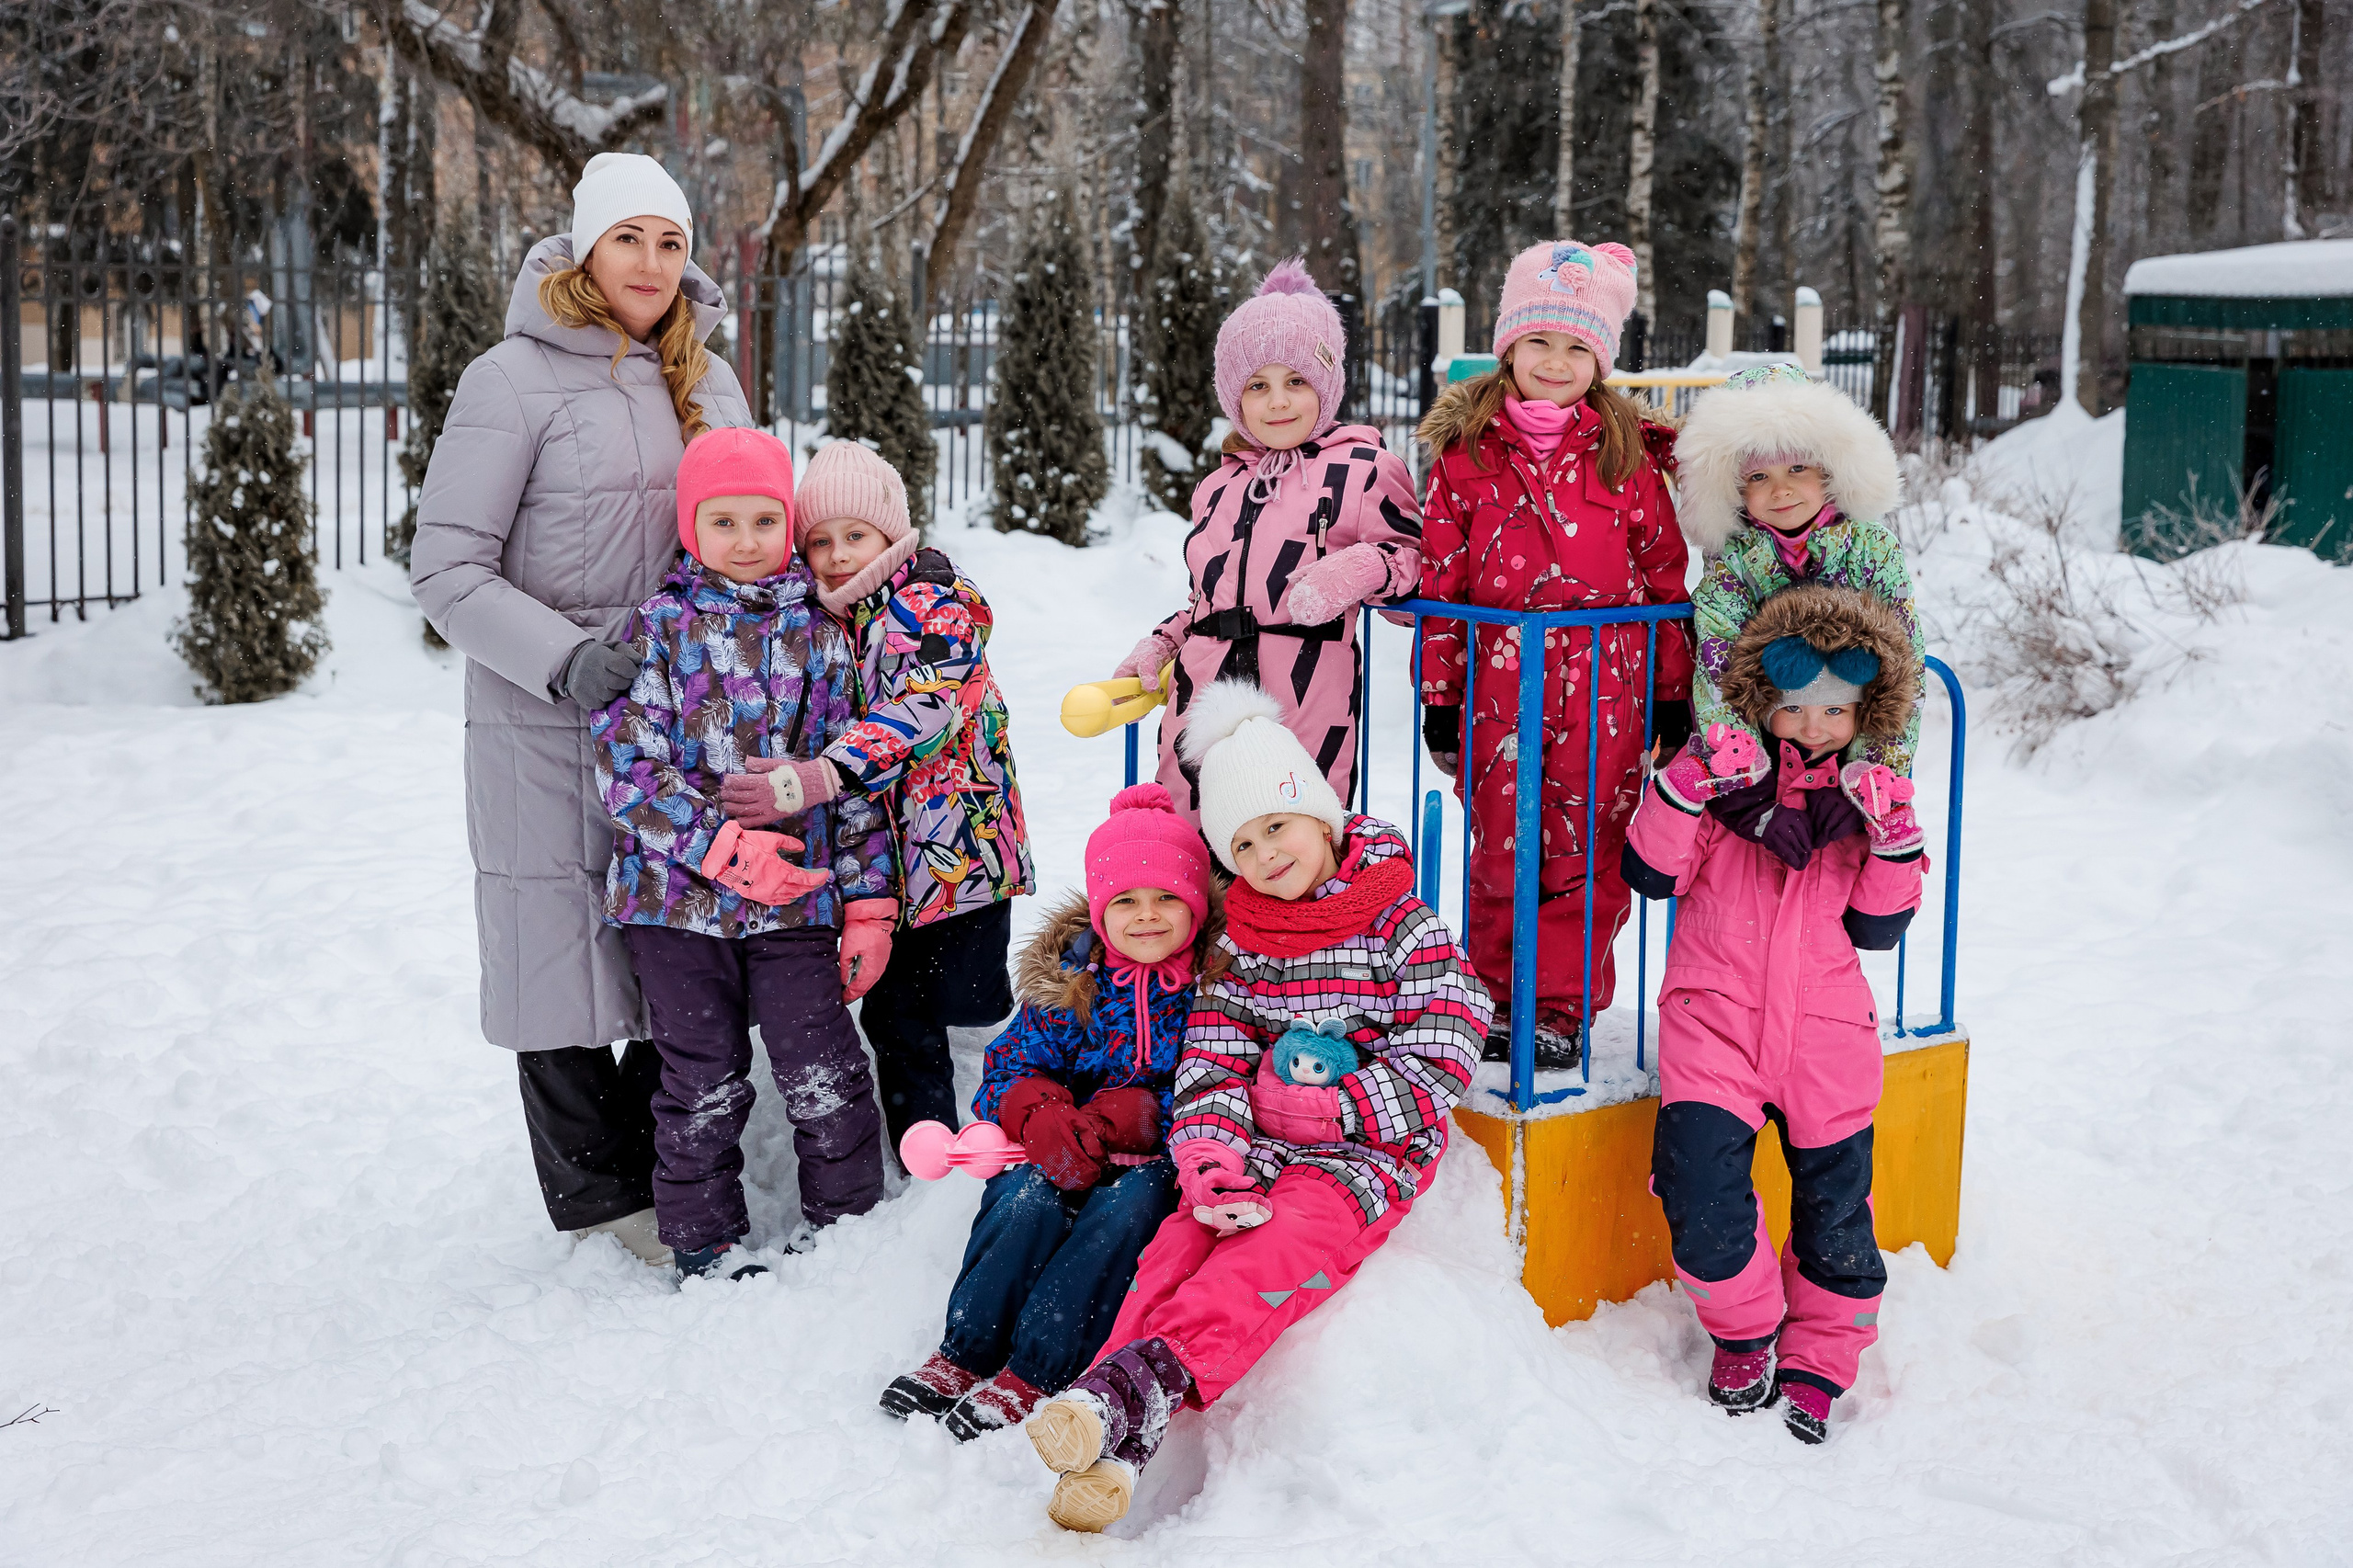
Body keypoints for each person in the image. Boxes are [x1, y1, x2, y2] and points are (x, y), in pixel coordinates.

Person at [1023, 682, 1491, 1532]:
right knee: (1177, 1243)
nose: (1267, 854)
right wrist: (1207, 1154)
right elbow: (1212, 1055)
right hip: (1257, 1146)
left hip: (1365, 1154)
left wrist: (1332, 1111)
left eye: (1277, 825)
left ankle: (1141, 1384)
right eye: (1241, 842)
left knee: (1269, 1252)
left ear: (1321, 815)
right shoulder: (1241, 942)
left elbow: (1447, 1042)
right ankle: (1114, 1433)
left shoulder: (1399, 920)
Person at [410, 153, 750, 1267]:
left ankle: (672, 1165)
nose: (651, 263)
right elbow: (447, 568)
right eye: (627, 239)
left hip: (689, 718)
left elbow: (754, 529)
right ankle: (599, 1200)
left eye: (669, 241)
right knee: (551, 954)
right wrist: (566, 659)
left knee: (682, 945)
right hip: (543, 716)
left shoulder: (712, 379)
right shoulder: (506, 381)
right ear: (584, 251)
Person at [1620, 581, 1926, 1444]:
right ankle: (1745, 1331)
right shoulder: (1729, 785)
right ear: (1763, 702)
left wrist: (1896, 842)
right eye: (1795, 707)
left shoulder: (1869, 803)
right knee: (1699, 1190)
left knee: (1836, 1215)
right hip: (1714, 1025)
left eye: (1837, 708)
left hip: (1826, 1040)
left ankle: (1822, 1357)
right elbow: (1654, 873)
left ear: (1867, 710)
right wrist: (1687, 788)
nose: (1816, 725)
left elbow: (1878, 927)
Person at [590, 426, 896, 1280]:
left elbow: (853, 775)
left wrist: (868, 903)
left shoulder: (821, 635)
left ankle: (846, 1232)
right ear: (692, 528)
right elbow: (626, 769)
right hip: (677, 904)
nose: (747, 540)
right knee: (700, 1075)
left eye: (765, 519)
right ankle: (704, 1240)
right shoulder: (654, 630)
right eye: (723, 521)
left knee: (823, 1065)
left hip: (796, 901)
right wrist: (720, 846)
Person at [1413, 240, 1694, 1069]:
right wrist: (1440, 700)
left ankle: (1562, 1007)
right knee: (1502, 846)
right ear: (1508, 346)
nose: (1556, 362)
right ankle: (1497, 995)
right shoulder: (1466, 455)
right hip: (1499, 689)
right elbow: (1443, 581)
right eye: (1540, 342)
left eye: (1578, 347)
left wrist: (1671, 697)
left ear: (1599, 360)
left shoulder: (1627, 453)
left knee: (1586, 852)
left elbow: (1664, 576)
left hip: (1606, 691)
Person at [878, 784, 1218, 1441]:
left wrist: (1148, 1115)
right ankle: (967, 1348)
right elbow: (1009, 1066)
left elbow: (1227, 1084)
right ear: (1099, 909)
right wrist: (1035, 1110)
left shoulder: (1215, 992)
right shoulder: (1072, 982)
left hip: (1156, 1164)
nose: (1146, 916)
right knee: (1023, 1198)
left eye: (1167, 898)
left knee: (1124, 1212)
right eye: (1125, 901)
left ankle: (1039, 1365)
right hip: (1063, 1144)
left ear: (1198, 903)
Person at [719, 440, 1032, 1149]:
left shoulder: (933, 604)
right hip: (885, 862)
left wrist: (820, 775)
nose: (836, 555)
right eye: (820, 541)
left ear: (893, 531)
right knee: (898, 1013)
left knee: (968, 1003)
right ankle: (925, 1140)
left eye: (855, 536)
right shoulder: (833, 619)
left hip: (961, 849)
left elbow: (923, 708)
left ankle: (1007, 1112)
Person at [1109, 259, 1421, 821]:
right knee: (1192, 845)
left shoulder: (1365, 468)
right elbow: (1207, 600)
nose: (1278, 402)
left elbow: (1413, 565)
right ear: (1235, 397)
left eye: (1296, 381)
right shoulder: (1219, 485)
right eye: (1258, 386)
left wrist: (1356, 570)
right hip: (1200, 695)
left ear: (1327, 383)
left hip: (1302, 696)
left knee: (1288, 845)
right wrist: (1160, 643)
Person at [1667, 361, 1925, 858]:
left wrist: (1871, 773)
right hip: (1767, 761)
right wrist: (1743, 777)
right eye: (1759, 476)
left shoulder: (1872, 550)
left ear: (1829, 470)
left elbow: (1902, 666)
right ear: (1735, 491)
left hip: (1844, 744)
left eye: (1797, 469)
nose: (1780, 490)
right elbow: (1717, 662)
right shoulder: (1736, 564)